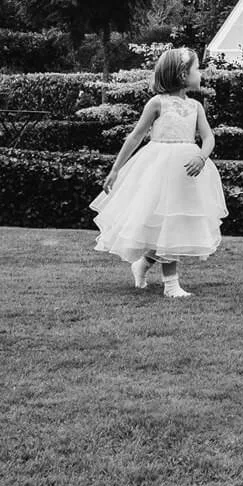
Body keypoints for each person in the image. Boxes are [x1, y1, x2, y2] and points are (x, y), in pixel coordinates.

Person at [90, 47, 227, 298]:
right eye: (197, 69)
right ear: (183, 75)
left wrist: (201, 156)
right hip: (159, 171)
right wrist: (115, 169)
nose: (201, 73)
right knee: (166, 223)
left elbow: (208, 138)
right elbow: (135, 137)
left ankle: (141, 265)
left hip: (186, 173)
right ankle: (171, 285)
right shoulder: (157, 103)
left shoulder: (196, 107)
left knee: (173, 224)